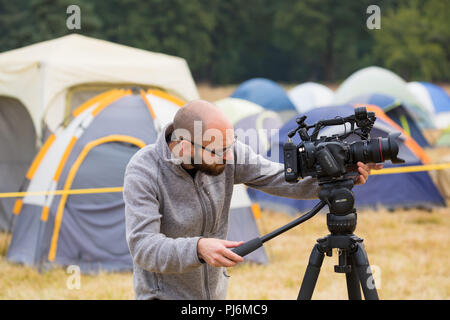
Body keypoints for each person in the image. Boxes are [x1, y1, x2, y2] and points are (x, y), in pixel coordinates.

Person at [123, 100, 381, 300]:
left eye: (230, 145)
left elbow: (277, 177)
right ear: (184, 146)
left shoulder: (224, 150)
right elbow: (144, 247)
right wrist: (198, 248)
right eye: (219, 151)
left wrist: (339, 176)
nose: (228, 156)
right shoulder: (144, 171)